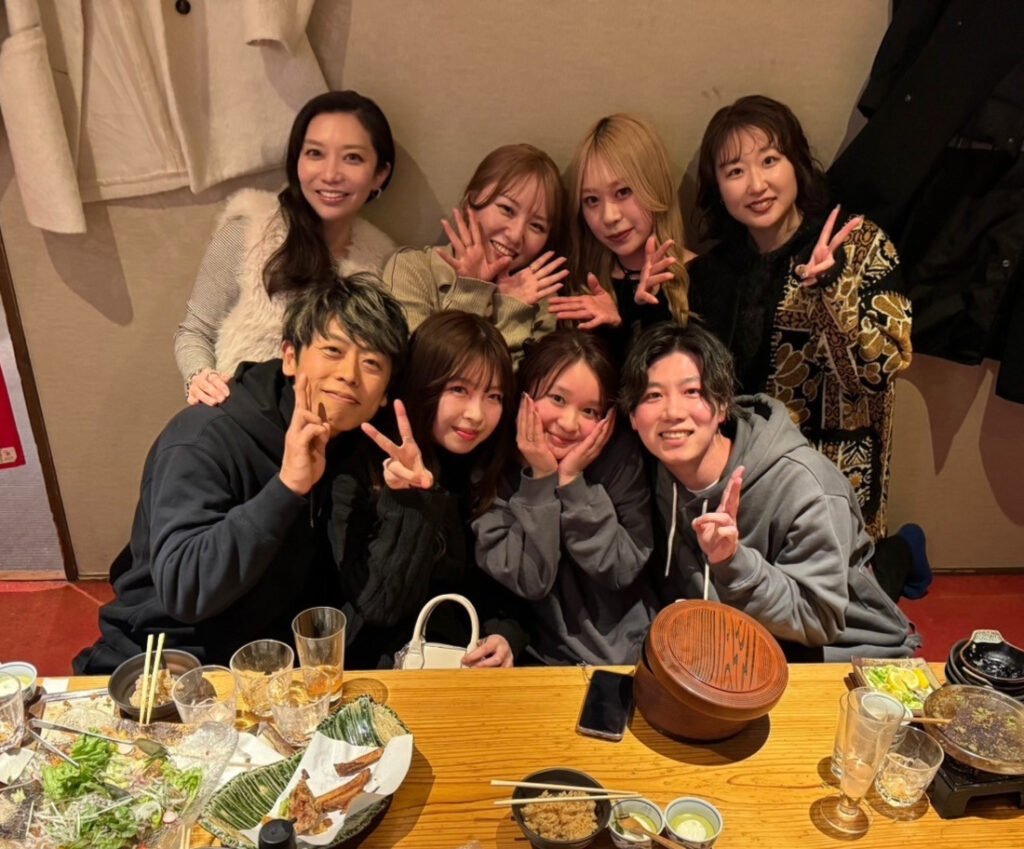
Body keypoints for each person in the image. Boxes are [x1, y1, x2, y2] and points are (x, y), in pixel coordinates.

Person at [74, 277, 409, 673]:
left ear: (385, 392)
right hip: (170, 661)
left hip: (275, 663)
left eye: (372, 363)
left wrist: (415, 501)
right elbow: (185, 590)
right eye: (333, 351)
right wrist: (286, 487)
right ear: (290, 357)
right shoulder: (206, 437)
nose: (350, 374)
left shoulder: (362, 449)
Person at [689, 95, 913, 552]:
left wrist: (830, 291)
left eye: (769, 160)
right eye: (735, 171)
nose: (756, 185)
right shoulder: (715, 271)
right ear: (718, 187)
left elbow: (877, 373)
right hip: (745, 478)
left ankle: (894, 557)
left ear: (797, 162)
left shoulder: (859, 244)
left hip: (833, 479)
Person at [620, 322, 919, 661]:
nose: (672, 413)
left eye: (692, 391)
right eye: (653, 395)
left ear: (722, 405)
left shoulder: (806, 487)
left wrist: (732, 561)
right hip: (728, 648)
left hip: (834, 651)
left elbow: (818, 620)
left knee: (880, 566)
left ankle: (907, 549)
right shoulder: (654, 470)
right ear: (633, 416)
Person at [175, 90, 397, 406]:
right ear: (297, 161)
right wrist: (200, 378)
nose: (330, 174)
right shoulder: (249, 232)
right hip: (240, 420)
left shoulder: (384, 263)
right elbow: (194, 331)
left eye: (352, 158)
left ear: (379, 174)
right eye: (315, 154)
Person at [346, 311, 529, 668]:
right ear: (423, 384)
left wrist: (506, 635)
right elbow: (380, 607)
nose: (476, 414)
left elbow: (509, 590)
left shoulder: (494, 467)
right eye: (459, 389)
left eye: (493, 396)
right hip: (378, 675)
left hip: (465, 667)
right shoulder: (362, 465)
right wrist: (409, 500)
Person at [472, 330, 656, 665]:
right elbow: (529, 580)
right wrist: (540, 479)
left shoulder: (620, 458)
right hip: (536, 657)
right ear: (525, 392)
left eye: (590, 411)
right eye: (557, 399)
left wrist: (572, 483)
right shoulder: (493, 462)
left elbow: (620, 568)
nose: (570, 424)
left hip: (625, 655)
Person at [382, 144, 567, 363]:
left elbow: (521, 384)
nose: (516, 235)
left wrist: (511, 311)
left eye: (536, 226)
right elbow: (426, 372)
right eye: (507, 209)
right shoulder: (412, 269)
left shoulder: (541, 302)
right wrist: (470, 292)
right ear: (470, 202)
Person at [550, 113, 695, 360]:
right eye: (592, 200)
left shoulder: (707, 277)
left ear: (655, 185)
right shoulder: (580, 287)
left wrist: (653, 310)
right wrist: (613, 329)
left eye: (623, 192)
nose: (609, 217)